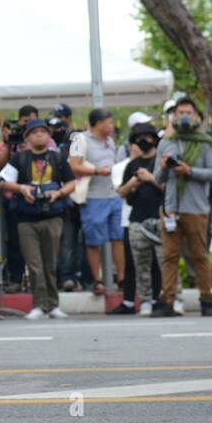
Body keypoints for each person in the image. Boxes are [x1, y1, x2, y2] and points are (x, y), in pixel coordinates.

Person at [0, 118, 77, 319]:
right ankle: (39, 304)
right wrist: (22, 188)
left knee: (51, 262)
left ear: (49, 135)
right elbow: (3, 182)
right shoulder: (19, 159)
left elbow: (71, 182)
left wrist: (58, 193)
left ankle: (53, 304)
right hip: (26, 217)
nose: (39, 135)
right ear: (27, 137)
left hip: (53, 215)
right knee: (33, 263)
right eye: (34, 132)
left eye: (43, 131)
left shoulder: (57, 158)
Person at [152, 96, 212, 317]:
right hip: (171, 208)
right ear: (173, 116)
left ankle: (206, 301)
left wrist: (189, 171)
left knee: (199, 256)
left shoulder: (205, 142)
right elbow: (158, 178)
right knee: (169, 257)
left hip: (196, 208)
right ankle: (168, 302)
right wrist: (165, 168)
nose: (183, 116)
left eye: (188, 112)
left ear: (196, 116)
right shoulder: (166, 142)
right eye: (179, 112)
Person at [70, 107, 124, 300]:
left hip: (114, 195)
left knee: (118, 237)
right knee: (94, 240)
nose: (111, 126)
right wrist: (96, 171)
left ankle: (123, 279)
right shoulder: (79, 139)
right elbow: (74, 164)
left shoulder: (110, 141)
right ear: (98, 123)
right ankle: (97, 280)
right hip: (92, 196)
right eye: (108, 123)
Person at [116, 121, 164, 315]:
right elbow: (121, 191)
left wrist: (151, 178)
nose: (144, 141)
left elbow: (169, 188)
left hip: (160, 217)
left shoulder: (161, 162)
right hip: (137, 218)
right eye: (139, 139)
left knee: (163, 261)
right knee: (140, 263)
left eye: (147, 137)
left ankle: (167, 298)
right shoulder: (132, 165)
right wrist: (134, 181)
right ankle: (144, 300)